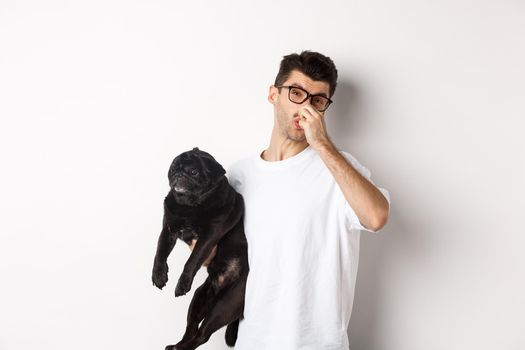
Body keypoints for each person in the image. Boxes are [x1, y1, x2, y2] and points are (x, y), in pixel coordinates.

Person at [226, 50, 391, 350]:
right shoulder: (240, 175)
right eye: (297, 93)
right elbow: (224, 258)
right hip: (251, 341)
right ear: (273, 95)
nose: (306, 108)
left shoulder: (339, 168)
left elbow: (376, 217)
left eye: (318, 100)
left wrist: (323, 144)